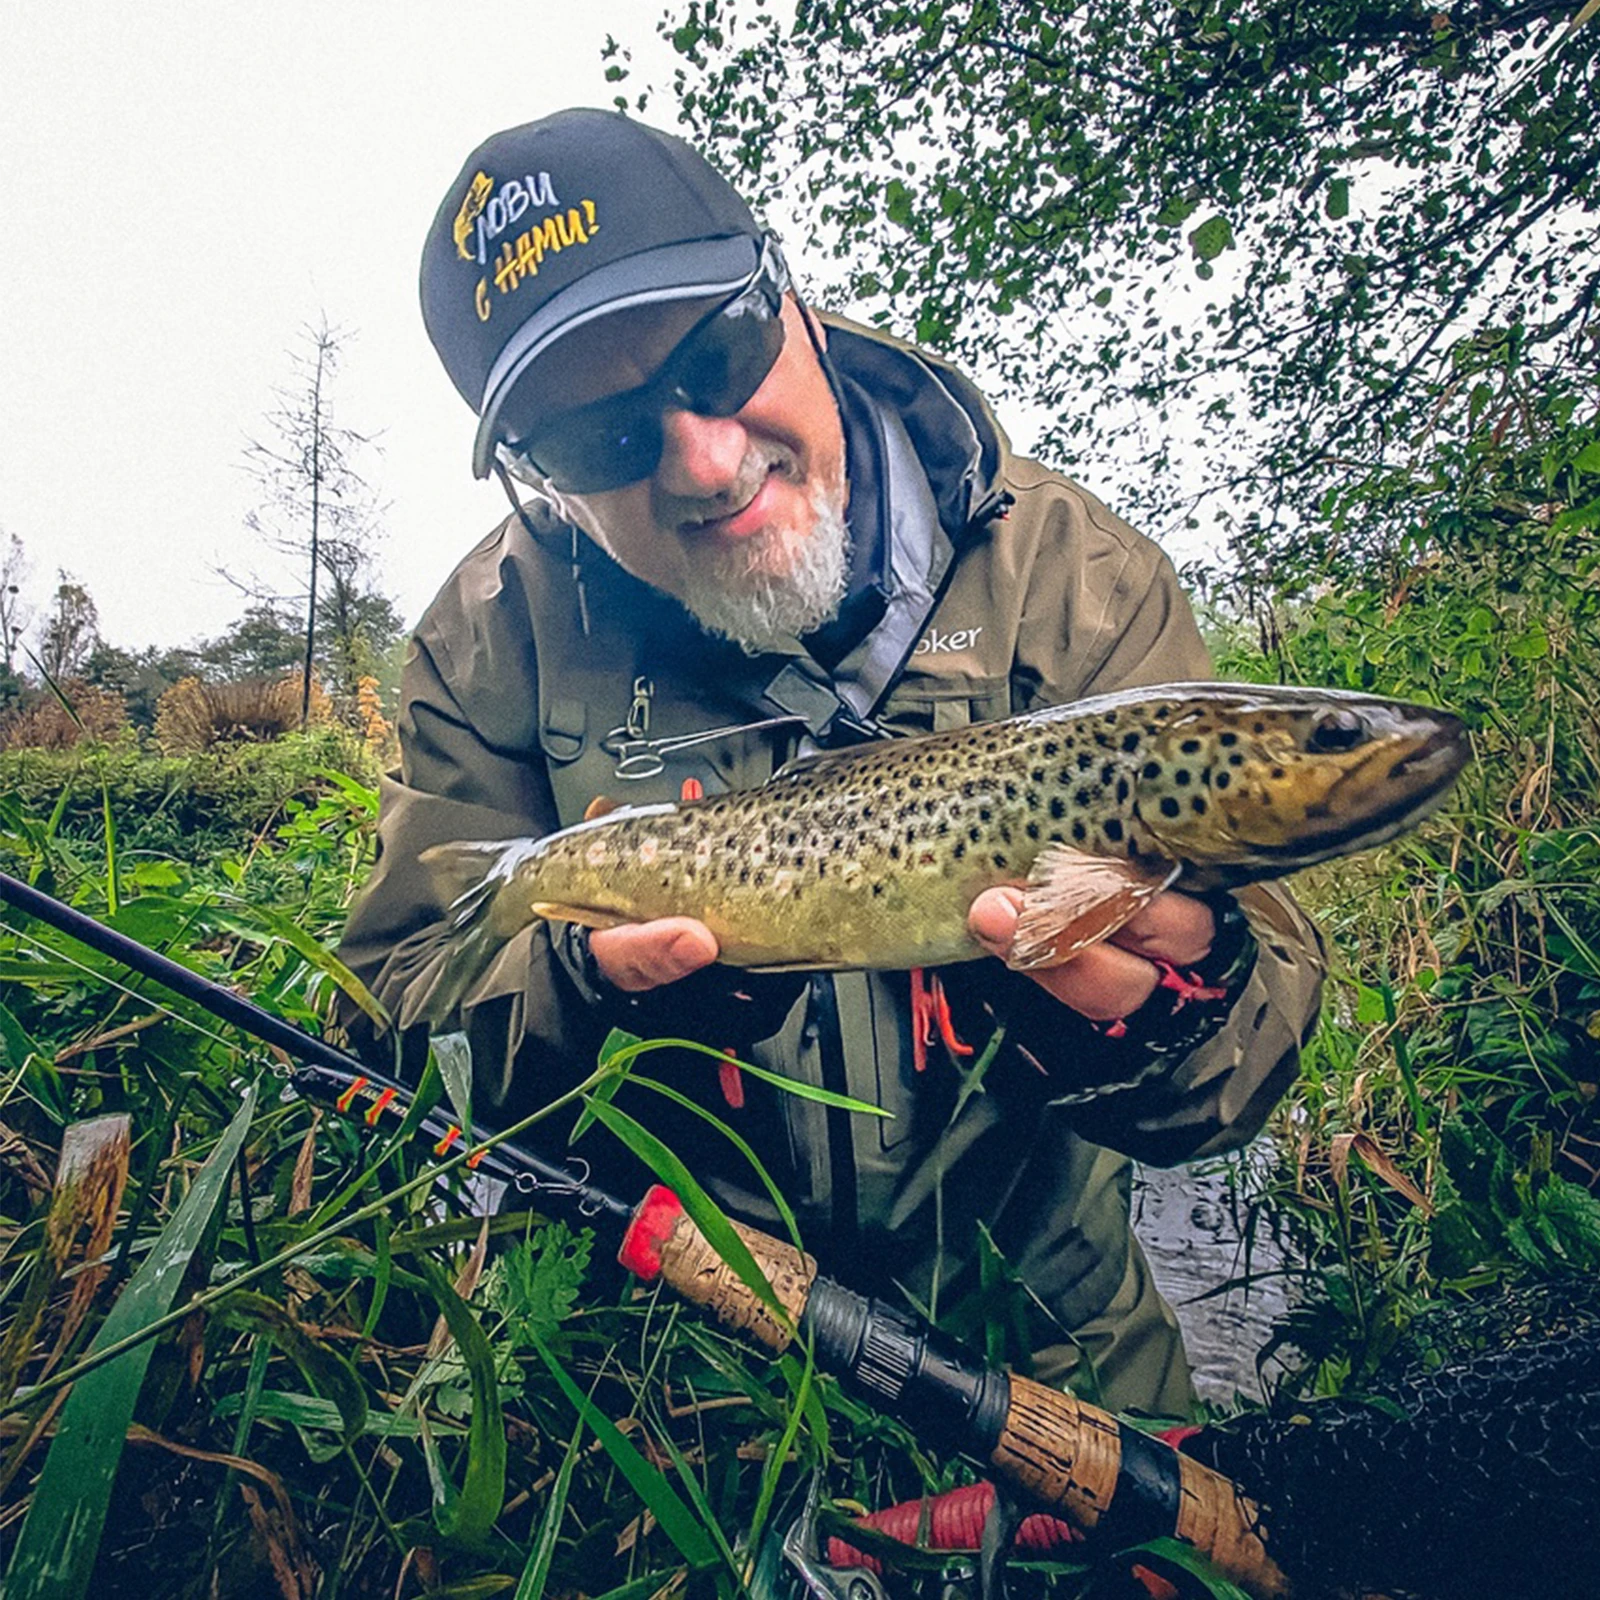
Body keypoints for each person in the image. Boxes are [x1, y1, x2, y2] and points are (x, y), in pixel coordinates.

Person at [337, 109, 1324, 1416]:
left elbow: (1248, 1063)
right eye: (598, 439)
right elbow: (397, 1014)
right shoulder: (488, 642)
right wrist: (582, 994)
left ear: (789, 299)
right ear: (540, 482)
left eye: (720, 353)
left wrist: (1160, 1024)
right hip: (671, 1380)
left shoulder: (1074, 578)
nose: (702, 458)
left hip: (1061, 1354)